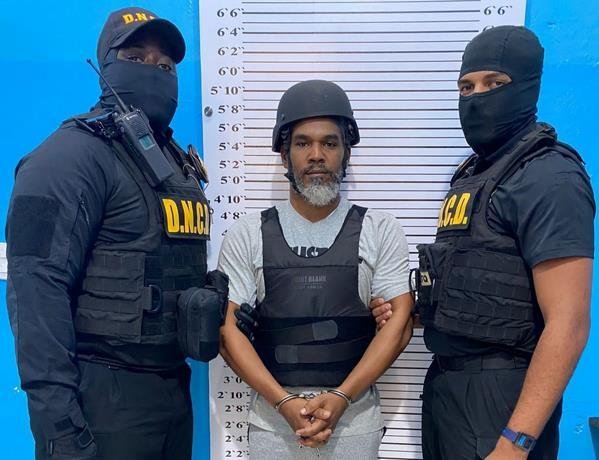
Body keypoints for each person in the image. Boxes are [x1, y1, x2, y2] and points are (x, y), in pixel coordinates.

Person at [6, 7, 227, 460]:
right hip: (101, 399)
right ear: (106, 67)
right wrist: (60, 429)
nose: (154, 71)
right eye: (136, 57)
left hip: (172, 393)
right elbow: (35, 295)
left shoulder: (172, 161)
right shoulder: (65, 158)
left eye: (165, 65)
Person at [370, 26, 595, 459]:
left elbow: (569, 324)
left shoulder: (550, 176)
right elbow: (480, 286)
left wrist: (516, 442)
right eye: (466, 87)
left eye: (494, 83)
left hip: (504, 399)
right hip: (446, 392)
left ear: (527, 86)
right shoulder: (471, 176)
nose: (477, 97)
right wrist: (417, 311)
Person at [218, 79, 414, 458]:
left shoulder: (380, 229)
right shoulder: (247, 233)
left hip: (355, 425)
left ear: (346, 153)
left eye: (330, 143)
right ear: (284, 155)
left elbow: (399, 323)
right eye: (303, 143)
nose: (316, 155)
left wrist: (342, 397)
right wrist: (284, 403)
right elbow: (228, 331)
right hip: (272, 427)